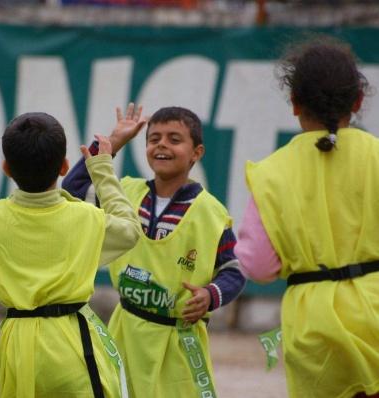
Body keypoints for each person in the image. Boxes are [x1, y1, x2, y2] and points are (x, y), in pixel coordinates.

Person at [0, 112, 142, 397]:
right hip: (72, 345)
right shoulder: (86, 218)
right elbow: (130, 230)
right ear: (64, 166)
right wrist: (102, 169)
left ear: (6, 168)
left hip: (17, 346)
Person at [62, 104, 246, 397]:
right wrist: (112, 144)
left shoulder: (212, 213)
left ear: (196, 153)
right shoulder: (124, 193)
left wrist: (210, 295)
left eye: (174, 139)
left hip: (178, 341)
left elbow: (233, 271)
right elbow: (73, 192)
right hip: (125, 331)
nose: (161, 144)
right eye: (154, 138)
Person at [235, 35, 379, 398]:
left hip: (313, 332)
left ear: (295, 104)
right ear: (358, 101)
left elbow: (259, 267)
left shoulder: (271, 173)